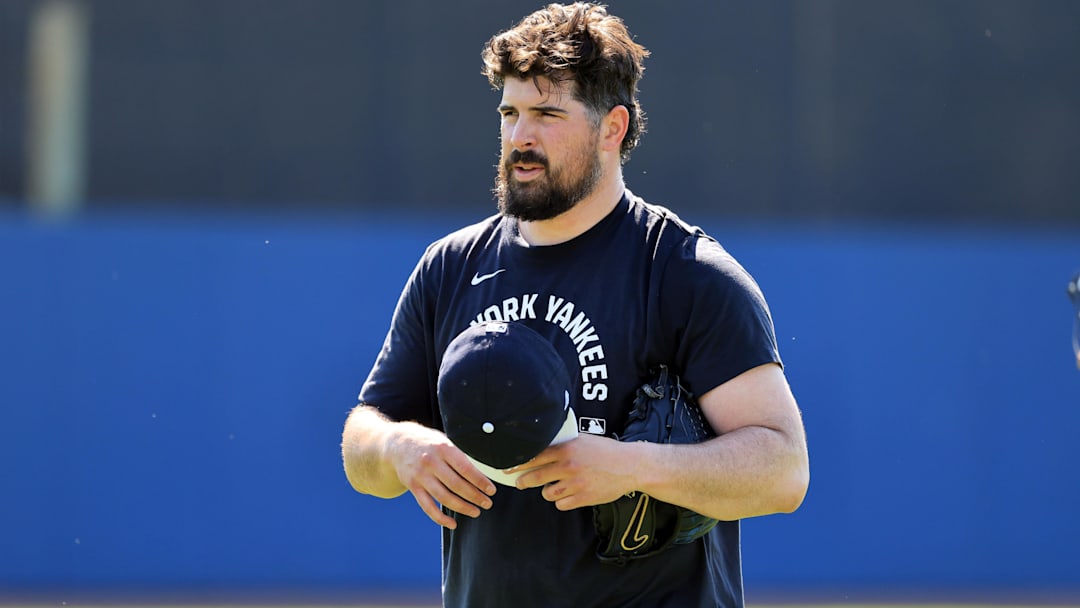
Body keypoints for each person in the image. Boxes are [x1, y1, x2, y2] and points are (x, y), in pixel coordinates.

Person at [341, 3, 810, 606]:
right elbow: (362, 440)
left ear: (611, 128)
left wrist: (635, 466)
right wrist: (399, 449)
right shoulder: (450, 268)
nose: (519, 137)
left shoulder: (685, 273)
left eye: (546, 113)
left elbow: (783, 469)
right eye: (509, 113)